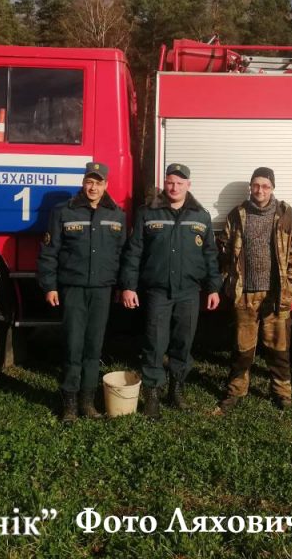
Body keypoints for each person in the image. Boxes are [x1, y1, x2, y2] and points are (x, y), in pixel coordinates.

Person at [120, 163, 221, 419]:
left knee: (182, 343)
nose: (174, 187)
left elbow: (210, 255)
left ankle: (176, 390)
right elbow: (134, 252)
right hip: (158, 291)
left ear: (188, 185)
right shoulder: (148, 213)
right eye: (170, 182)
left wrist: (213, 288)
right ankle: (152, 395)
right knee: (154, 343)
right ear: (165, 184)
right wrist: (129, 286)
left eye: (179, 183)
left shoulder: (201, 216)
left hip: (189, 291)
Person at [37, 161, 126, 421]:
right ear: (83, 183)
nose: (93, 187)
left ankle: (87, 403)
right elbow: (49, 252)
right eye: (89, 182)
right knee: (73, 345)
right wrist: (50, 286)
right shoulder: (63, 212)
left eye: (98, 183)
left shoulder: (117, 214)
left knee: (93, 347)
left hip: (102, 290)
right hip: (73, 288)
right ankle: (69, 405)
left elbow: (122, 254)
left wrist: (121, 286)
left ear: (106, 185)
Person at [216, 167, 292, 412]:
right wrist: (228, 280)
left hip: (275, 294)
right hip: (244, 294)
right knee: (242, 348)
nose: (260, 190)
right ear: (250, 187)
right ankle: (236, 391)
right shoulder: (238, 214)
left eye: (265, 186)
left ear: (272, 188)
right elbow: (224, 248)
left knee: (279, 349)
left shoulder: (286, 215)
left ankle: (281, 393)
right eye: (256, 185)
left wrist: (290, 286)